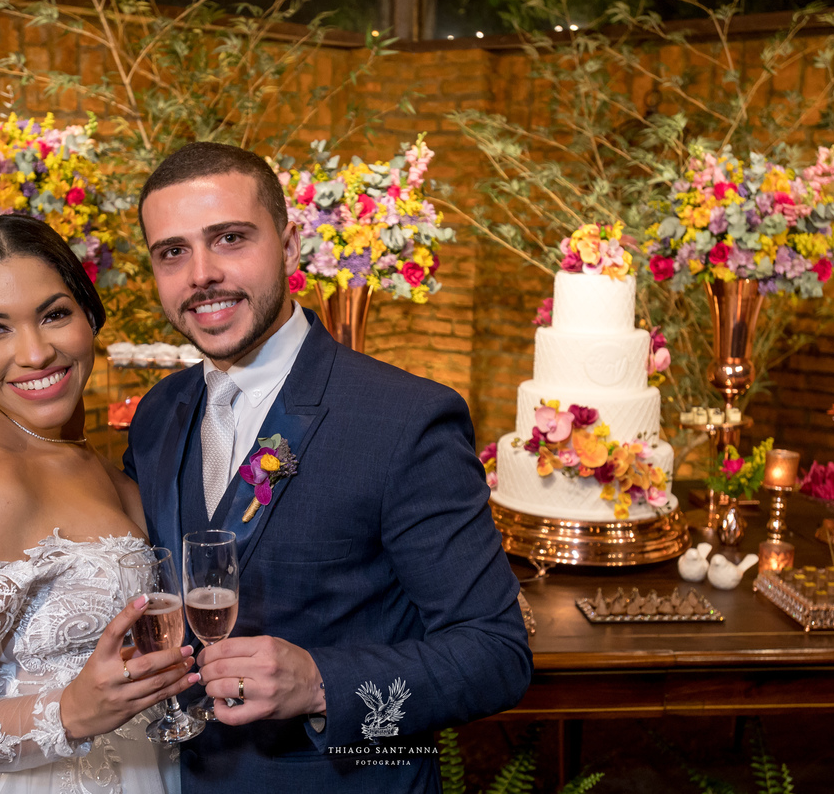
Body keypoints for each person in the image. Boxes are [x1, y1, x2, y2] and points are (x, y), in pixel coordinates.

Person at [124, 142, 533, 792]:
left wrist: (320, 683)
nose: (200, 273)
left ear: (288, 246)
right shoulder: (158, 413)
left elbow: (495, 655)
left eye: (229, 238)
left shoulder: (405, 419)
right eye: (172, 251)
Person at [0, 214, 194, 794]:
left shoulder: (95, 461)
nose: (34, 353)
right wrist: (71, 712)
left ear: (90, 317)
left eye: (54, 314)